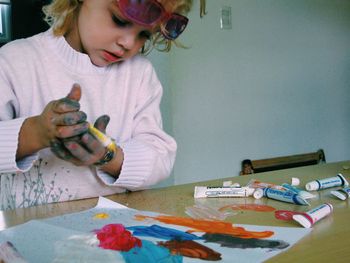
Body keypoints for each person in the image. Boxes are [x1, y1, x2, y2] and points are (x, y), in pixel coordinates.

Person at [0, 0, 193, 210]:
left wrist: (108, 156)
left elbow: (159, 157)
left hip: (110, 232)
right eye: (119, 21)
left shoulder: (139, 75)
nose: (128, 43)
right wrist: (36, 132)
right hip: (24, 233)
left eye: (144, 35)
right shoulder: (14, 60)